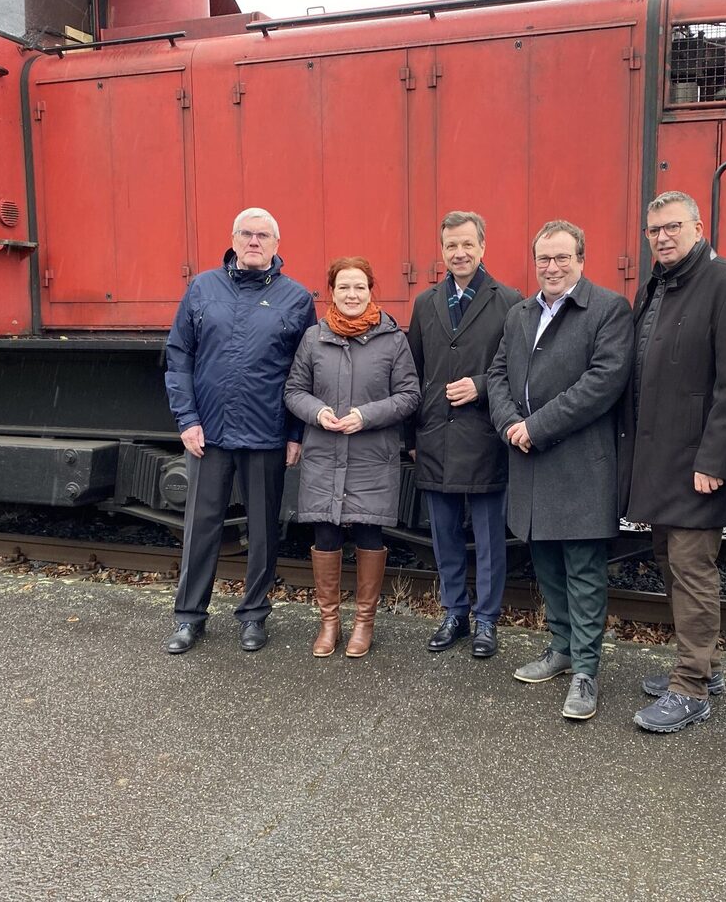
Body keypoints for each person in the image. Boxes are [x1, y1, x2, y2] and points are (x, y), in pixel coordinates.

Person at [620, 191, 726, 734]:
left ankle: (692, 687)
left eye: (672, 226)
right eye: (653, 228)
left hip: (697, 463)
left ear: (698, 227)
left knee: (691, 568)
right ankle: (704, 663)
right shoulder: (657, 285)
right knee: (670, 563)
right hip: (659, 459)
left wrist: (716, 459)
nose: (661, 236)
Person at [487, 220, 632, 720]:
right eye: (544, 259)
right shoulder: (521, 313)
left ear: (581, 259)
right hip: (528, 459)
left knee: (584, 570)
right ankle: (562, 648)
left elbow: (603, 383)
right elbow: (497, 374)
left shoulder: (608, 309)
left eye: (562, 258)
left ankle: (586, 672)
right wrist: (510, 424)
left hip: (577, 463)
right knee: (546, 561)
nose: (552, 267)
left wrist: (535, 426)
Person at [163, 208, 316, 655]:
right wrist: (187, 419)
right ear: (233, 238)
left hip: (267, 432)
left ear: (276, 244)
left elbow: (302, 373)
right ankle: (189, 618)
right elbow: (179, 357)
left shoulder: (296, 299)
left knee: (264, 530)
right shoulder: (202, 288)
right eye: (247, 234)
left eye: (263, 235)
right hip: (209, 433)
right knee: (201, 527)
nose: (254, 241)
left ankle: (254, 616)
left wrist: (295, 434)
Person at [285, 257, 420, 658]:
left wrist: (366, 415)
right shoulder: (314, 338)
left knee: (368, 534)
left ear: (371, 290)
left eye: (359, 286)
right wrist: (317, 412)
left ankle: (364, 624)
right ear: (332, 291)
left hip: (370, 457)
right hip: (325, 455)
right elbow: (294, 390)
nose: (352, 294)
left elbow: (410, 395)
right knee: (325, 535)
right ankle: (329, 624)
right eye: (344, 287)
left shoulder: (393, 339)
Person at [406, 211, 522, 658]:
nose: (459, 253)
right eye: (451, 245)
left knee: (491, 537)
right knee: (444, 534)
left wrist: (479, 385)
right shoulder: (425, 303)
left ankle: (487, 621)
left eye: (467, 245)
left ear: (483, 247)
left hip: (486, 435)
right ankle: (455, 612)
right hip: (435, 434)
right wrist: (410, 437)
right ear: (442, 250)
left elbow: (517, 372)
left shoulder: (509, 301)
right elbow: (412, 372)